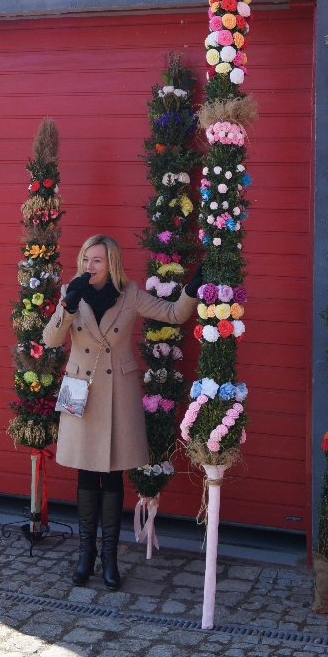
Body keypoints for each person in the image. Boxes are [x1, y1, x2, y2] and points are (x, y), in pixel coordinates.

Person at [43, 234, 202, 590]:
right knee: (86, 474)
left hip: (117, 393)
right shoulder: (72, 291)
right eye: (86, 259)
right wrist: (67, 306)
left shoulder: (129, 294)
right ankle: (86, 555)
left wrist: (192, 288)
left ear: (111, 263)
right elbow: (50, 340)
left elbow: (173, 314)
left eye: (97, 260)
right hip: (81, 393)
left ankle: (110, 558)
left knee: (113, 476)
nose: (89, 266)